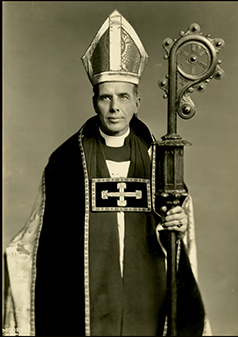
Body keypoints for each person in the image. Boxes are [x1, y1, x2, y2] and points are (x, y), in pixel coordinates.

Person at [3, 10, 207, 336]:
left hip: (148, 295)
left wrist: (178, 224)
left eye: (123, 97)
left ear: (137, 102)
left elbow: (180, 226)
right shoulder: (66, 162)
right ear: (95, 101)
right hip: (89, 303)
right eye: (106, 97)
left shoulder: (159, 160)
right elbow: (40, 240)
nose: (115, 108)